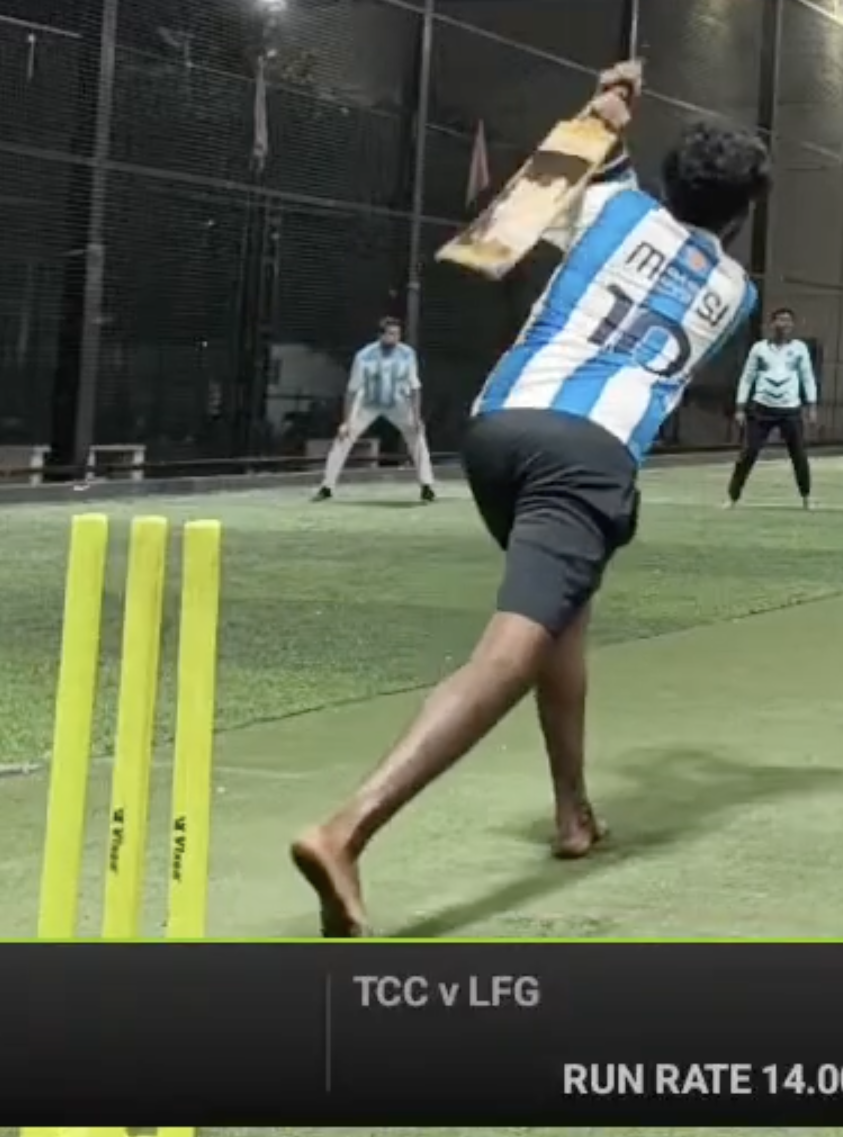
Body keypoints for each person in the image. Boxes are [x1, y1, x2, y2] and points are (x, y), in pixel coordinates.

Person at [289, 60, 767, 937]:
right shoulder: (737, 295)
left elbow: (568, 166)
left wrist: (609, 100)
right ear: (741, 213)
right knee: (510, 652)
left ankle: (573, 813)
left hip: (497, 429)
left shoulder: (613, 205)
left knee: (562, 620)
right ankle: (346, 830)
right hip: (584, 454)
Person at [315, 317, 438, 503]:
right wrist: (346, 421)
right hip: (368, 402)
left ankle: (427, 486)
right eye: (390, 334)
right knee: (343, 438)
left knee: (416, 435)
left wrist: (416, 416)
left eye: (397, 334)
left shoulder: (407, 353)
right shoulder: (364, 355)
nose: (395, 338)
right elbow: (352, 389)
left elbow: (414, 387)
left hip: (397, 401)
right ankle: (326, 487)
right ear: (380, 335)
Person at [726, 308, 816, 508]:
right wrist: (740, 407)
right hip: (762, 408)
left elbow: (807, 377)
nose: (784, 325)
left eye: (788, 321)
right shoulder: (759, 349)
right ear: (772, 324)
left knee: (799, 454)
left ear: (792, 326)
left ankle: (806, 496)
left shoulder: (800, 349)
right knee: (748, 453)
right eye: (780, 320)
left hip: (790, 409)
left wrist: (811, 405)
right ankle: (732, 496)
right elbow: (747, 378)